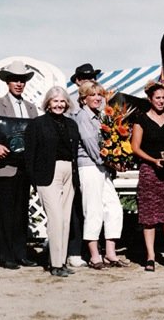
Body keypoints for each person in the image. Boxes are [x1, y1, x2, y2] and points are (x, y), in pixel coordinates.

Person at [0, 60, 39, 270]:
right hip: (5, 166)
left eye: (22, 80)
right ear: (8, 82)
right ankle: (6, 256)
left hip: (25, 167)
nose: (19, 84)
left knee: (22, 211)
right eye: (15, 80)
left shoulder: (31, 108)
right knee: (6, 212)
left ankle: (21, 254)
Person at [25, 86, 80, 277]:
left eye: (62, 101)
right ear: (48, 102)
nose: (59, 104)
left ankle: (61, 261)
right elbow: (29, 155)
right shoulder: (37, 124)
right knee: (56, 219)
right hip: (48, 174)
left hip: (69, 174)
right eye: (55, 100)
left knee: (65, 220)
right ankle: (55, 264)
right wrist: (34, 180)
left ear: (67, 103)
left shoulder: (72, 125)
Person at [131, 81, 164, 272]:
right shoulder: (141, 120)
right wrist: (153, 160)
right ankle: (151, 257)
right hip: (149, 171)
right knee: (149, 215)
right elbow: (135, 148)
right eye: (158, 98)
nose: (161, 101)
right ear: (150, 99)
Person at [74, 80, 127, 269]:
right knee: (93, 209)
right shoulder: (82, 117)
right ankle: (94, 255)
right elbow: (91, 146)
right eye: (93, 95)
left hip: (103, 167)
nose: (97, 98)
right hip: (89, 167)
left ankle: (110, 253)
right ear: (83, 99)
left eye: (100, 95)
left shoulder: (101, 117)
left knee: (113, 207)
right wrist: (112, 161)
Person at [65, 63, 101, 268]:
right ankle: (74, 250)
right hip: (78, 160)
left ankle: (91, 249)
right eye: (85, 77)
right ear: (78, 81)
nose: (88, 79)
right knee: (77, 207)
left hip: (93, 163)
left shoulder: (98, 103)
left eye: (91, 77)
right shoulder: (72, 106)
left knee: (89, 206)